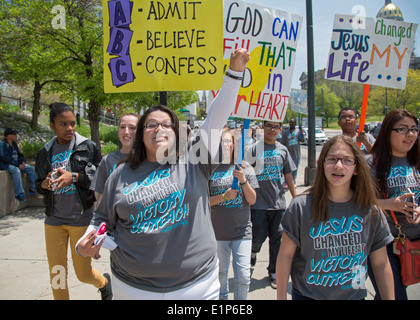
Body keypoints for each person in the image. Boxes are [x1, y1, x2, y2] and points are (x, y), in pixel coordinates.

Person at [76, 48, 250, 300]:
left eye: (167, 124)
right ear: (141, 133)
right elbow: (100, 219)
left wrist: (234, 73)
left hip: (197, 286)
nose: (159, 128)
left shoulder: (194, 160)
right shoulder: (119, 174)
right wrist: (85, 242)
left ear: (177, 133)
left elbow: (215, 117)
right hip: (132, 287)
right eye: (151, 124)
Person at [276, 135, 395, 300]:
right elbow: (285, 255)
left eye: (347, 160)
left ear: (357, 168)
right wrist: (280, 297)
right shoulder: (300, 207)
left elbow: (381, 264)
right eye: (331, 159)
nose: (338, 166)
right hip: (308, 296)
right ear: (322, 163)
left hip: (353, 296)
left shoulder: (371, 211)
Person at [34, 102, 112, 300]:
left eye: (72, 123)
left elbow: (99, 180)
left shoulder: (88, 147)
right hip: (53, 221)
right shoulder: (45, 153)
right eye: (63, 124)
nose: (69, 128)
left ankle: (103, 283)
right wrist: (43, 185)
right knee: (57, 273)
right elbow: (37, 185)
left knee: (83, 274)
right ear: (52, 126)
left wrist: (74, 177)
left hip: (80, 219)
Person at [367, 109, 420, 300]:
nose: (411, 134)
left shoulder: (417, 160)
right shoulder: (371, 163)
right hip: (383, 245)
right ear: (388, 131)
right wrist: (389, 204)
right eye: (403, 129)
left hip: (415, 242)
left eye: (414, 129)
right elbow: (354, 201)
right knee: (394, 296)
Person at [244, 120, 297, 289]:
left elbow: (288, 176)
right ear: (263, 128)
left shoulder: (283, 150)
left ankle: (273, 272)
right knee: (257, 237)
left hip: (278, 204)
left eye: (276, 127)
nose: (272, 129)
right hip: (258, 204)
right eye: (269, 126)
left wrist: (296, 199)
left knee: (277, 240)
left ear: (280, 130)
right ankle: (253, 252)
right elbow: (243, 173)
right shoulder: (252, 149)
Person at [209, 128, 259, 300]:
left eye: (228, 141)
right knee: (221, 272)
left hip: (242, 232)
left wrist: (243, 181)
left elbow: (252, 200)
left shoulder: (244, 167)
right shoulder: (210, 170)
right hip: (217, 234)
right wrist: (223, 197)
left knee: (243, 276)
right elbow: (203, 202)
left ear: (234, 144)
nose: (225, 144)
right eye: (221, 141)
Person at [90, 113, 140, 204]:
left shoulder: (147, 159)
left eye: (132, 128)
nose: (126, 132)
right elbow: (102, 197)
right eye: (122, 127)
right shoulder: (107, 161)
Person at [0, 128, 37, 202]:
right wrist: (18, 165)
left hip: (17, 164)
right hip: (6, 164)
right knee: (16, 170)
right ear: (8, 136)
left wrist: (23, 162)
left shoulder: (14, 144)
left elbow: (20, 155)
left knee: (31, 169)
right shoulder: (2, 144)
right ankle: (19, 193)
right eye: (14, 134)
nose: (16, 135)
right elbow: (5, 158)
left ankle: (33, 189)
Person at [280, 119, 305, 185]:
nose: (291, 123)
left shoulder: (298, 131)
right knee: (287, 169)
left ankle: (293, 182)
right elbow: (282, 143)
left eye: (292, 122)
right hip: (288, 154)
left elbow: (302, 140)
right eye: (290, 122)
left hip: (296, 154)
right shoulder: (285, 132)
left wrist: (301, 131)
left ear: (295, 123)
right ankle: (286, 182)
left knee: (295, 170)